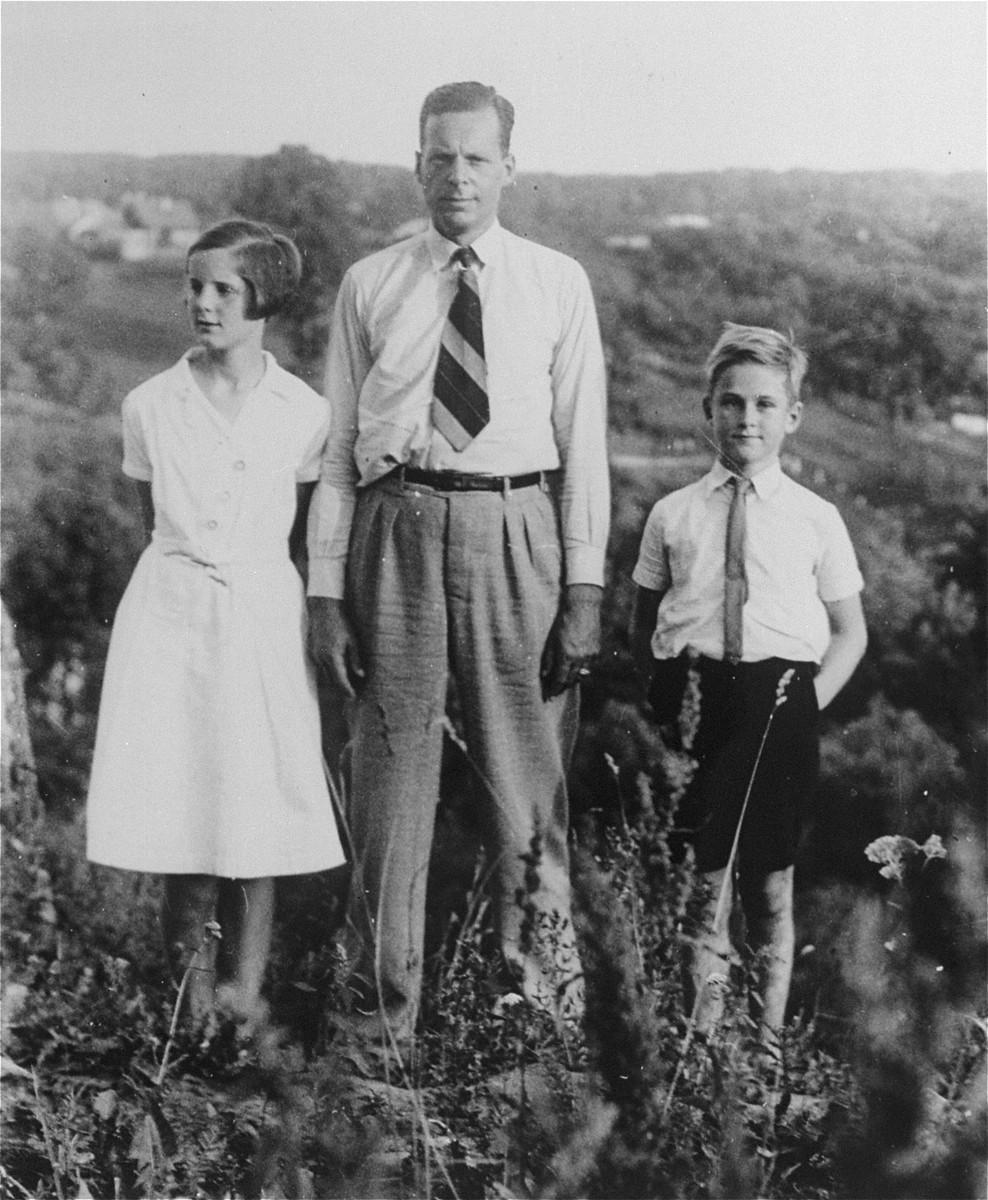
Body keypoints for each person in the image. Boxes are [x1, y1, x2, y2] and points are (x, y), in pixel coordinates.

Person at [307, 82, 609, 1039]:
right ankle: (374, 1028)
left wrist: (586, 590)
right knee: (389, 789)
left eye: (477, 157)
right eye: (440, 156)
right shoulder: (372, 282)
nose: (458, 175)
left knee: (527, 788)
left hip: (514, 531)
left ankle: (541, 1025)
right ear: (417, 164)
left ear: (509, 169)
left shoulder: (556, 282)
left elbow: (585, 448)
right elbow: (337, 453)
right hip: (393, 530)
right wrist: (323, 593)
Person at [87, 219, 345, 1034]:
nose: (202, 303)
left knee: (254, 814)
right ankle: (189, 1011)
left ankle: (245, 1001)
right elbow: (151, 520)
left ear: (262, 297)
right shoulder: (150, 404)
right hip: (171, 619)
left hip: (260, 619)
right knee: (185, 814)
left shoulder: (303, 412)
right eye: (194, 286)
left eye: (223, 289)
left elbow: (300, 526)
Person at [629, 323, 866, 1045]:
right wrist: (663, 696)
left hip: (782, 702)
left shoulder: (815, 520)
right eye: (731, 403)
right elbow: (644, 619)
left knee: (769, 883)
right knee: (700, 886)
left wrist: (807, 705)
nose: (746, 419)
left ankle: (761, 1045)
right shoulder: (674, 514)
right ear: (707, 410)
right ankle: (701, 1049)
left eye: (765, 404)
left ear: (791, 416)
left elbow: (851, 631)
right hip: (698, 699)